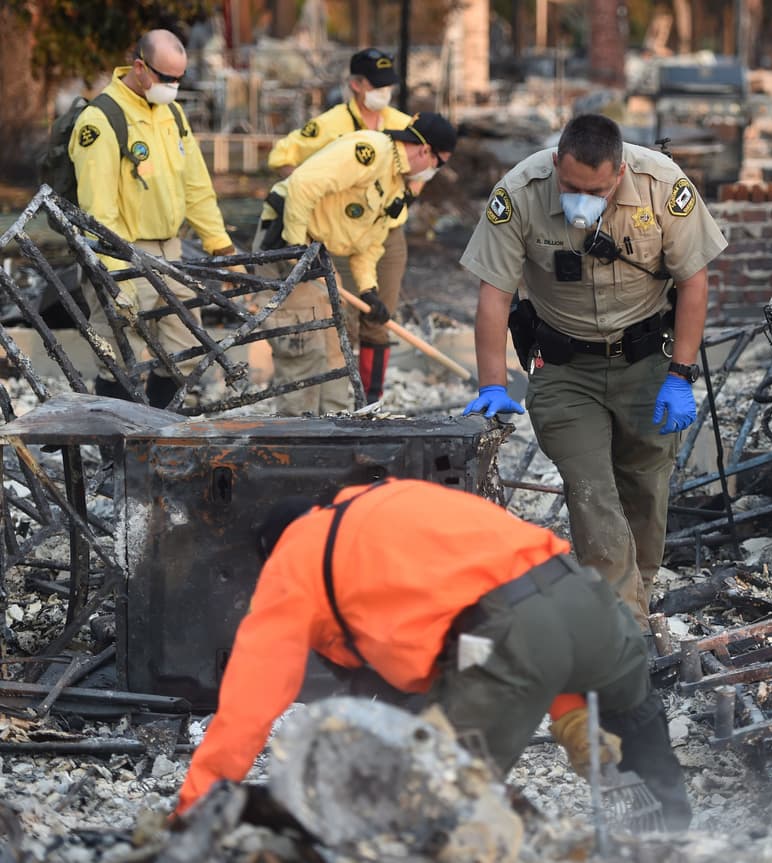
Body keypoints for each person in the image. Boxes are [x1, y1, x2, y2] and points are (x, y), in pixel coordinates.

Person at [174, 478, 691, 828]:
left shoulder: (293, 560)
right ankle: (674, 838)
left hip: (509, 637)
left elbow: (249, 704)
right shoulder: (396, 501)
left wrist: (191, 814)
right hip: (587, 601)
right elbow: (534, 612)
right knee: (636, 718)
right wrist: (569, 711)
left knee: (431, 814)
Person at [459, 114, 727, 627]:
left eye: (596, 191)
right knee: (591, 492)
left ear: (619, 172)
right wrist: (492, 383)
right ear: (556, 163)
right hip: (564, 369)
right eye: (571, 187)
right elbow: (494, 293)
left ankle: (637, 593)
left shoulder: (662, 185)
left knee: (646, 487)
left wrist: (680, 374)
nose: (581, 199)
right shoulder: (520, 192)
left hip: (645, 361)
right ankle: (623, 625)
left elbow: (694, 282)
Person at [69, 29, 238, 409]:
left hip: (170, 251)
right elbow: (97, 211)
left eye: (179, 78)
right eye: (166, 78)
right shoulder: (102, 119)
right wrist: (114, 277)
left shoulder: (171, 114)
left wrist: (220, 244)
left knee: (187, 348)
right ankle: (117, 436)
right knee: (119, 356)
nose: (174, 86)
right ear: (140, 67)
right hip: (122, 251)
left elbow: (195, 185)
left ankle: (159, 426)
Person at [254, 112, 454, 415]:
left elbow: (368, 245)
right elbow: (302, 185)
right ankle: (296, 429)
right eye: (439, 164)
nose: (434, 172)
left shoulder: (396, 184)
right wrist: (298, 251)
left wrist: (368, 290)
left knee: (337, 344)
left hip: (317, 251)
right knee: (303, 344)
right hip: (286, 241)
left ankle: (334, 424)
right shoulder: (370, 152)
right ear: (425, 151)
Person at [268, 48, 421, 401]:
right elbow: (282, 157)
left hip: (385, 233)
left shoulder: (403, 124)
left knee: (379, 312)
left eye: (388, 85)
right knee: (341, 315)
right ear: (356, 84)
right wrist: (315, 198)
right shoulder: (330, 124)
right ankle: (337, 395)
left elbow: (426, 166)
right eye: (377, 85)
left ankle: (370, 400)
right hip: (338, 236)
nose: (384, 92)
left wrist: (408, 194)